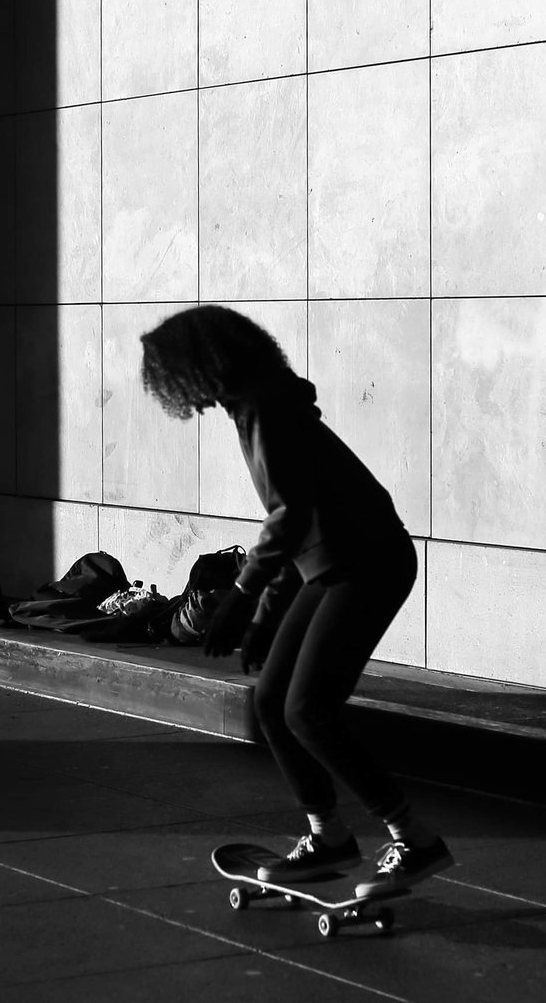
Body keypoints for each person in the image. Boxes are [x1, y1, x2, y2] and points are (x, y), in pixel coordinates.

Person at [140, 304, 453, 897]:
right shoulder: (256, 404)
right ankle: (327, 836)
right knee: (269, 701)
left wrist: (241, 594)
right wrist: (262, 617)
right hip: (332, 565)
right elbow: (297, 527)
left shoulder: (262, 405)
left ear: (198, 364)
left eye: (169, 373)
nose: (171, 390)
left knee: (308, 708)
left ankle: (415, 838)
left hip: (368, 563)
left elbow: (290, 518)